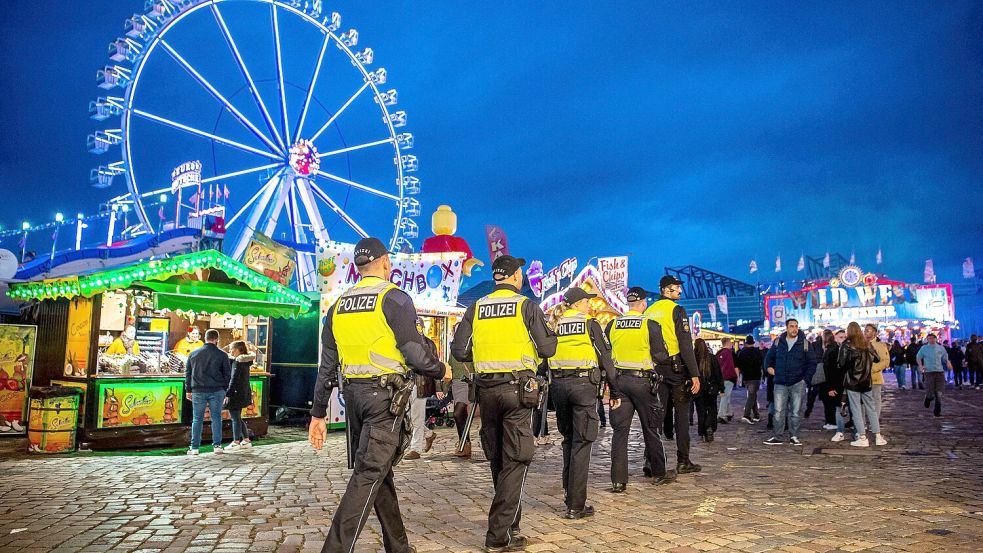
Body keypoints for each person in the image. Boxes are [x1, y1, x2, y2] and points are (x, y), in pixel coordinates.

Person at [308, 236, 449, 553]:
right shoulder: (394, 298)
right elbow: (414, 353)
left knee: (378, 470)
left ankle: (399, 548)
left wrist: (318, 414)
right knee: (369, 472)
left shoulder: (338, 306)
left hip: (354, 398)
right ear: (386, 263)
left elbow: (327, 367)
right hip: (386, 399)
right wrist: (442, 370)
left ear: (357, 267)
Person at [451, 255, 557, 553]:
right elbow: (547, 347)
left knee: (497, 457)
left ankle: (511, 523)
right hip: (517, 390)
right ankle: (498, 534)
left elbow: (460, 350)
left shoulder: (477, 307)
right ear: (514, 276)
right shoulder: (526, 306)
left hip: (486, 390)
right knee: (517, 458)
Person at [546, 287, 620, 519]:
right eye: (587, 301)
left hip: (558, 387)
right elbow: (605, 357)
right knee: (582, 442)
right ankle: (576, 506)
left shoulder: (554, 323)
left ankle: (570, 495)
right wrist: (615, 391)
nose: (590, 305)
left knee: (568, 441)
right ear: (578, 303)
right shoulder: (589, 323)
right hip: (583, 387)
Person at [607, 286, 671, 490]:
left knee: (619, 432)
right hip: (643, 382)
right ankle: (659, 473)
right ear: (643, 303)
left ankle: (618, 481)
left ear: (628, 303)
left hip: (619, 381)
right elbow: (661, 356)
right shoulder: (649, 324)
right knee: (651, 428)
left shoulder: (613, 324)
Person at [644, 276, 702, 473]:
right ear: (667, 290)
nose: (680, 291)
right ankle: (683, 460)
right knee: (682, 415)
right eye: (677, 288)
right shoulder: (677, 310)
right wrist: (694, 373)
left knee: (656, 416)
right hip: (676, 369)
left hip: (655, 369)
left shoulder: (648, 311)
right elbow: (685, 343)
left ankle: (651, 461)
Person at [762, 319, 816, 446]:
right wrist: (769, 369)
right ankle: (777, 435)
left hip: (798, 382)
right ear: (786, 328)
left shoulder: (805, 343)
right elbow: (768, 359)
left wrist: (805, 380)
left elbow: (812, 363)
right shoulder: (778, 342)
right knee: (779, 410)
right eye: (791, 326)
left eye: (796, 326)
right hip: (780, 382)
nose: (794, 329)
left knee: (796, 411)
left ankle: (794, 436)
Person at [186, 329, 231, 455]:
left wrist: (188, 390)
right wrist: (225, 390)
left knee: (197, 418)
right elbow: (227, 375)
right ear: (217, 339)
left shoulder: (194, 354)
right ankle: (217, 446)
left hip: (198, 390)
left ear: (205, 338)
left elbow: (188, 374)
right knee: (216, 417)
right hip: (217, 390)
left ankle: (194, 448)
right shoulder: (222, 355)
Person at [840, 322, 885, 447]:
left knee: (856, 410)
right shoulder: (867, 343)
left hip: (853, 381)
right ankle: (878, 436)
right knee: (871, 409)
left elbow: (841, 363)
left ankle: (862, 436)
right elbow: (876, 358)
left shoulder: (847, 344)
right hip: (866, 380)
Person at [405, 318, 439, 460]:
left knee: (417, 417)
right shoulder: (406, 342)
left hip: (420, 383)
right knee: (407, 416)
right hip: (407, 383)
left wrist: (438, 387)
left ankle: (415, 448)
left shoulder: (428, 343)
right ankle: (428, 434)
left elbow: (433, 365)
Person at [447, 324, 474, 458]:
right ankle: (465, 443)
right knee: (460, 414)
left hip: (466, 382)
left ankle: (464, 443)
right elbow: (450, 366)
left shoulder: (472, 347)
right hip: (456, 384)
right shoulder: (453, 349)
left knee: (458, 413)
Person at [225, 340, 255, 450]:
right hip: (243, 392)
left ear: (239, 350)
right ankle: (246, 440)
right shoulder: (245, 361)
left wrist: (228, 393)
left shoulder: (238, 362)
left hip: (236, 393)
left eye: (232, 349)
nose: (230, 351)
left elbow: (234, 379)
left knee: (235, 418)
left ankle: (236, 441)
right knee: (238, 417)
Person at [694, 338, 724, 442]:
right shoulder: (712, 358)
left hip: (698, 389)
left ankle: (703, 431)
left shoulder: (694, 360)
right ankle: (709, 427)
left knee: (701, 411)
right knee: (712, 409)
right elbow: (718, 374)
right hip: (711, 389)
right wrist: (721, 388)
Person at [917, 333, 952, 417]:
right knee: (930, 392)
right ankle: (928, 398)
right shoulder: (924, 348)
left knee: (939, 393)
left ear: (936, 339)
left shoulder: (941, 348)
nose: (931, 340)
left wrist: (948, 363)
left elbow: (945, 358)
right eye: (929, 338)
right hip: (929, 373)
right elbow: (918, 357)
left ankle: (937, 410)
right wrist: (921, 366)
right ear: (927, 340)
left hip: (939, 372)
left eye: (933, 338)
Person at [826, 330, 849, 442]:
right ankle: (840, 431)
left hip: (850, 384)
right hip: (837, 384)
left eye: (845, 337)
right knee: (839, 408)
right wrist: (830, 387)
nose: (843, 339)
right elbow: (828, 371)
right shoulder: (832, 351)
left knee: (855, 408)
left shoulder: (849, 349)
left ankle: (859, 432)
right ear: (835, 338)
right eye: (841, 337)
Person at [865, 325, 890, 421]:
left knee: (875, 401)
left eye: (868, 330)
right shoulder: (861, 344)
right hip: (862, 379)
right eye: (865, 330)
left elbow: (885, 362)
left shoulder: (880, 345)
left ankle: (874, 422)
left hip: (875, 378)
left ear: (874, 333)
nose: (865, 332)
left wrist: (871, 368)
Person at [736, 335, 763, 424]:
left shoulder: (742, 352)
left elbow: (738, 364)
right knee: (752, 395)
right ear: (753, 342)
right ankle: (746, 415)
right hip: (755, 376)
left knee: (752, 395)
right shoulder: (757, 351)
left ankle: (756, 415)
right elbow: (761, 363)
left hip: (746, 376)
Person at [715, 338, 737, 424]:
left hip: (720, 377)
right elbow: (733, 366)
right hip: (729, 377)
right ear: (728, 343)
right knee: (725, 396)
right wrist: (736, 376)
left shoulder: (718, 353)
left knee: (726, 396)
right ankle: (721, 415)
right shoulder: (729, 353)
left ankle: (729, 412)